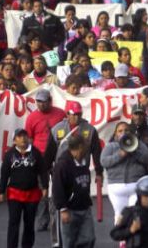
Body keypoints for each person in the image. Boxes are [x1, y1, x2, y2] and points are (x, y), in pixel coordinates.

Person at [44, 98, 105, 248]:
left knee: (83, 213)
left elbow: (97, 152)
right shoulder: (57, 129)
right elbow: (49, 154)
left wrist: (99, 172)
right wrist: (46, 177)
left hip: (81, 172)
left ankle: (79, 242)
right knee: (57, 211)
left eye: (79, 114)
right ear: (67, 114)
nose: (76, 117)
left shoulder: (90, 130)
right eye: (73, 114)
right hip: (61, 173)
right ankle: (56, 242)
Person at [24, 88, 66, 232]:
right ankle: (43, 221)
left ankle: (58, 218)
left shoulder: (61, 114)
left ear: (50, 101)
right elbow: (29, 139)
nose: (41, 104)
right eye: (38, 102)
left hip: (57, 157)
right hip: (40, 158)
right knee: (42, 190)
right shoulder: (31, 117)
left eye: (44, 101)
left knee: (58, 189)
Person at [0, 128, 49, 248]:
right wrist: (1, 191)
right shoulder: (9, 154)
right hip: (14, 194)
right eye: (19, 136)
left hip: (32, 194)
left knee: (29, 223)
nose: (23, 138)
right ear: (14, 140)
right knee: (13, 223)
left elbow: (43, 171)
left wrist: (45, 187)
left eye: (25, 136)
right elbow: (4, 173)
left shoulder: (35, 153)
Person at [101, 121, 148, 226]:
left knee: (136, 214)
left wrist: (135, 151)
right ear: (116, 133)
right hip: (116, 186)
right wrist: (120, 155)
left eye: (126, 130)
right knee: (120, 214)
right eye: (120, 131)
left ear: (131, 132)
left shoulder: (138, 143)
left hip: (135, 185)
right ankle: (122, 239)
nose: (123, 133)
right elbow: (104, 162)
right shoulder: (110, 146)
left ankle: (135, 239)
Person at [52, 135, 96, 248]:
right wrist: (63, 209)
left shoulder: (83, 162)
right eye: (86, 146)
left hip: (84, 208)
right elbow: (57, 188)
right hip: (70, 209)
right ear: (80, 147)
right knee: (69, 242)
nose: (88, 149)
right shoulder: (62, 165)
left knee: (89, 238)